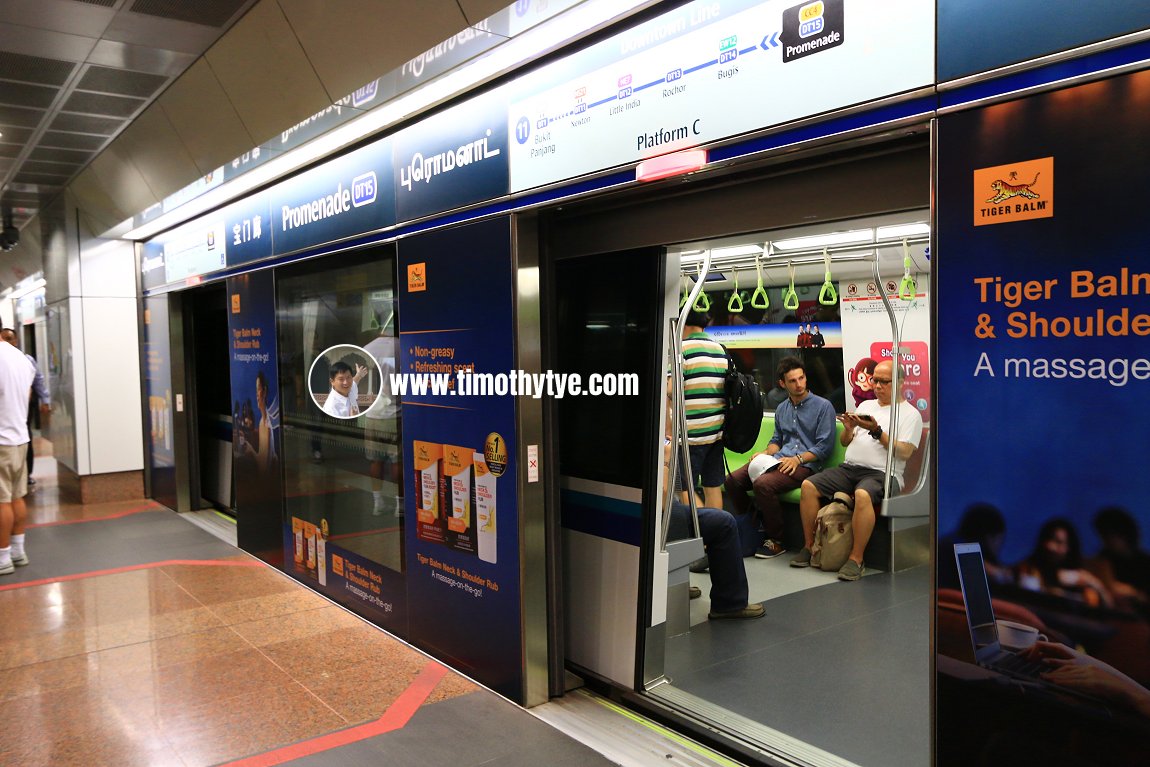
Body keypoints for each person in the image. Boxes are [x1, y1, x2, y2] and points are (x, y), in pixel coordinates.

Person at [792, 359, 923, 580]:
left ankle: (856, 559)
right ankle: (810, 546)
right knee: (808, 485)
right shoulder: (865, 406)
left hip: (885, 473)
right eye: (875, 380)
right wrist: (849, 429)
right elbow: (845, 442)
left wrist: (876, 431)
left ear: (900, 383)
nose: (877, 386)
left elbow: (904, 453)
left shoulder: (910, 415)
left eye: (884, 382)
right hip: (850, 468)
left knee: (863, 495)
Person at [724, 356, 836, 558]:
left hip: (807, 464)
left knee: (763, 484)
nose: (799, 384)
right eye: (793, 381)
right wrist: (766, 453)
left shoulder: (823, 406)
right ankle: (752, 527)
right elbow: (777, 439)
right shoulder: (782, 408)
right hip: (780, 459)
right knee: (733, 481)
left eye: (801, 378)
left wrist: (798, 459)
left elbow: (824, 447)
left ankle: (777, 539)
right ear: (782, 384)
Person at [664, 443, 763, 620]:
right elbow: (664, 496)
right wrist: (666, 460)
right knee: (723, 523)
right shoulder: (654, 445)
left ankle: (676, 585)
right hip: (662, 515)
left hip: (664, 510)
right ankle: (729, 603)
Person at [676, 309, 727, 510]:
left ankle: (700, 534)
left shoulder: (681, 348)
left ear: (684, 325)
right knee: (712, 487)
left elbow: (671, 389)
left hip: (690, 435)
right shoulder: (720, 349)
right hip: (715, 434)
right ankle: (716, 535)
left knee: (683, 488)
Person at [0, 330, 37, 575]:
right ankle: (18, 550)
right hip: (20, 438)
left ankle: (2, 557)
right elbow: (27, 394)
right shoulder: (22, 358)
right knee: (16, 496)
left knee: (1, 501)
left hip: (1, 439)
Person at [1016, 518, 1113, 607]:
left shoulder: (1078, 577)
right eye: (1048, 539)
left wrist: (1091, 581)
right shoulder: (1029, 568)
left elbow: (1106, 605)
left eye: (1058, 542)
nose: (1050, 546)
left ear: (1069, 548)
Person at [0, 329, 50, 485]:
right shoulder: (18, 360)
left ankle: (28, 473)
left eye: (11, 338)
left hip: (14, 423)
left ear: (17, 340)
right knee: (15, 497)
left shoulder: (24, 359)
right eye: (5, 338)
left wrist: (45, 400)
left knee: (4, 500)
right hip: (13, 424)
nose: (8, 341)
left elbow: (37, 381)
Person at [363, 328, 402, 516]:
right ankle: (399, 505)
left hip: (372, 417)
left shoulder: (366, 349)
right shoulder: (400, 347)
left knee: (375, 460)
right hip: (395, 414)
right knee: (397, 462)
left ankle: (377, 503)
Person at [1089, 506, 1150, 608]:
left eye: (1109, 536)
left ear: (1123, 535)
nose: (1106, 542)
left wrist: (1133, 592)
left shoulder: (1144, 562)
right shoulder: (1105, 556)